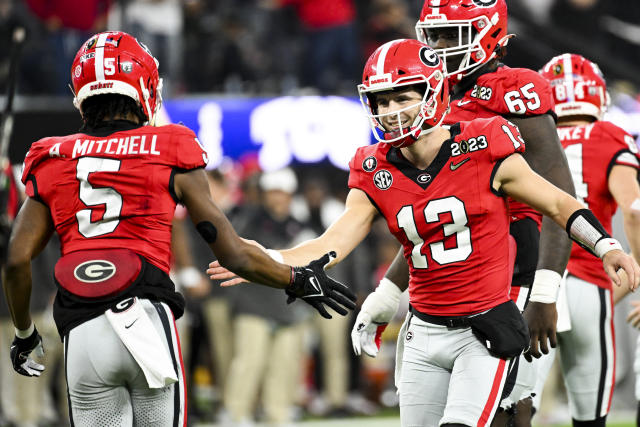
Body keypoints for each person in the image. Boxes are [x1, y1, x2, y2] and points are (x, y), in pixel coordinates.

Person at [208, 38, 640, 427]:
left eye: (402, 97)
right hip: (422, 331)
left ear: (432, 93)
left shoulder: (486, 142)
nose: (390, 111)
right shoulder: (374, 166)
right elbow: (329, 244)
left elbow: (561, 204)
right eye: (380, 101)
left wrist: (605, 245)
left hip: (484, 328)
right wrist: (265, 257)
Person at [1, 31, 355, 427]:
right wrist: (294, 278)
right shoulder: (170, 145)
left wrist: (24, 331)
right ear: (145, 87)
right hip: (146, 318)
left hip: (82, 328)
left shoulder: (51, 156)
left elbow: (16, 259)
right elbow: (233, 253)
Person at [357, 1, 577, 425]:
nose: (439, 47)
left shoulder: (512, 89)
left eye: (451, 36)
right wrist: (387, 294)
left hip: (516, 264)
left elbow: (558, 200)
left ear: (489, 33)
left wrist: (545, 290)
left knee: (509, 405)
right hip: (452, 273)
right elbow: (432, 219)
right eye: (434, 36)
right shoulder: (429, 102)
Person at [530, 53, 640, 427]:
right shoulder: (609, 135)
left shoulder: (529, 138)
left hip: (534, 282)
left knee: (515, 407)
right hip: (591, 282)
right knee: (590, 413)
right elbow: (635, 209)